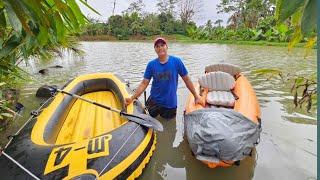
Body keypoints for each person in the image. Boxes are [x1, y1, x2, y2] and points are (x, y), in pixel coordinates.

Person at [125, 37, 202, 119]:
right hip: (154, 101)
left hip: (170, 104)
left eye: (162, 45)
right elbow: (144, 83)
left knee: (168, 125)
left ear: (167, 47)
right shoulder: (151, 65)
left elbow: (187, 80)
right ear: (155, 49)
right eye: (157, 46)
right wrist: (132, 98)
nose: (160, 48)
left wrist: (196, 96)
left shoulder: (177, 61)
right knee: (148, 121)